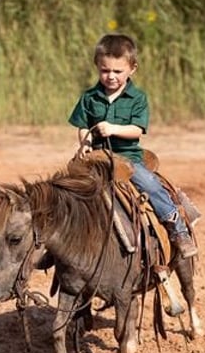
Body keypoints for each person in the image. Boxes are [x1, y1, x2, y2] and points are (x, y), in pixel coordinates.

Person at [68, 33, 198, 259]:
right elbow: (82, 125)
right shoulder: (89, 97)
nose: (110, 76)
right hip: (97, 158)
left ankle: (178, 229)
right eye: (105, 70)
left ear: (132, 69)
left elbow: (137, 129)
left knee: (150, 185)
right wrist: (85, 144)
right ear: (97, 67)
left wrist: (114, 128)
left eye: (117, 71)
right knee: (66, 188)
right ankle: (64, 237)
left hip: (127, 158)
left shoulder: (137, 98)